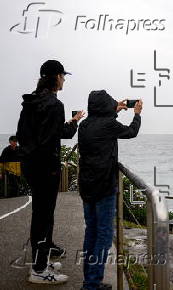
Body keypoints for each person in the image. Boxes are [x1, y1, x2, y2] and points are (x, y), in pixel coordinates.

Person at [16, 60, 85, 284]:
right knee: (43, 217)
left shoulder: (30, 102)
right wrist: (74, 123)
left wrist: (70, 123)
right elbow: (56, 136)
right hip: (46, 169)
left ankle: (43, 258)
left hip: (30, 166)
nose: (64, 79)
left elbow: (24, 135)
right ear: (56, 77)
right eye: (63, 76)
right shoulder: (55, 105)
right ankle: (38, 269)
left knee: (42, 214)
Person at [78, 90, 142, 290]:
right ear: (105, 105)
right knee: (104, 236)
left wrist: (115, 110)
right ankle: (92, 284)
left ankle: (90, 279)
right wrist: (137, 114)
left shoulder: (84, 125)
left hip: (87, 186)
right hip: (104, 187)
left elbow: (104, 123)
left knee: (91, 233)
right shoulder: (109, 125)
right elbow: (131, 132)